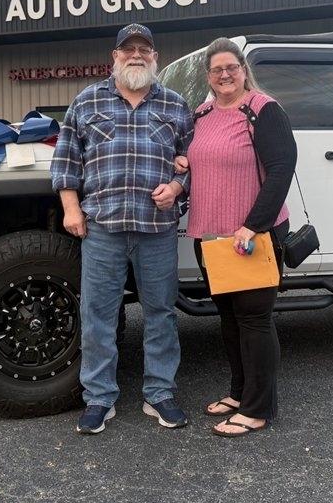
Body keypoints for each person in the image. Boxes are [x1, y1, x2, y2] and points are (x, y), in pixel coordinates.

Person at [51, 23, 194, 435]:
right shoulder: (87, 101)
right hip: (102, 229)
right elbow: (66, 161)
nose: (136, 55)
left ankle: (159, 393)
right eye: (127, 49)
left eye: (144, 49)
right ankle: (99, 398)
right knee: (97, 314)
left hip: (157, 229)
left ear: (155, 58)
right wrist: (71, 210)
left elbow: (193, 160)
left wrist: (178, 186)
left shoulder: (175, 105)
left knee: (161, 313)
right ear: (114, 57)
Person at [183, 37, 296, 437]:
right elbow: (196, 162)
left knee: (254, 320)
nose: (225, 75)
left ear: (244, 70)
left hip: (250, 236)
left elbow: (282, 168)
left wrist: (253, 225)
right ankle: (239, 393)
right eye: (217, 70)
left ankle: (258, 408)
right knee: (230, 320)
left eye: (231, 67)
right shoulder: (201, 114)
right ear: (208, 76)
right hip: (211, 237)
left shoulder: (263, 109)